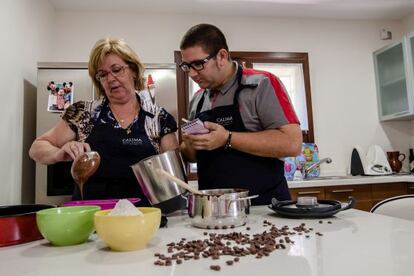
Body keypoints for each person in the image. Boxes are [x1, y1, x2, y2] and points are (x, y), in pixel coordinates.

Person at [29, 38, 179, 204]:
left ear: (134, 71)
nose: (111, 78)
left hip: (143, 218)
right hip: (92, 218)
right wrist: (58, 153)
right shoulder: (83, 113)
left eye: (117, 70)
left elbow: (172, 179)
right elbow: (36, 148)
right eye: (103, 74)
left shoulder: (158, 118)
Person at [178, 24, 302, 205]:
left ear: (221, 56)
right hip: (216, 210)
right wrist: (189, 145)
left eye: (198, 64)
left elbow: (292, 143)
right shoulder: (197, 99)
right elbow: (192, 156)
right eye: (186, 66)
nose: (191, 73)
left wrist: (227, 138)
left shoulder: (262, 84)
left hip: (264, 207)